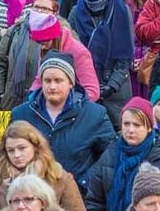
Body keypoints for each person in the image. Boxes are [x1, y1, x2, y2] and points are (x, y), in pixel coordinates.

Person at [9, 51, 116, 192]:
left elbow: (110, 155)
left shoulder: (95, 114)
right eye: (47, 81)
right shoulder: (21, 114)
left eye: (58, 81)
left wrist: (86, 181)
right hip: (31, 196)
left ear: (71, 83)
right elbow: (7, 153)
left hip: (79, 196)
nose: (52, 86)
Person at [0, 121, 89, 211]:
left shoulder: (58, 176)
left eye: (22, 148)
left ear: (35, 146)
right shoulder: (1, 175)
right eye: (11, 150)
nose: (16, 155)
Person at [71, 0, 135, 127]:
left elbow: (126, 54)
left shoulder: (122, 10)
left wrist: (111, 86)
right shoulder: (76, 11)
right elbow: (71, 48)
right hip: (86, 86)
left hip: (116, 89)